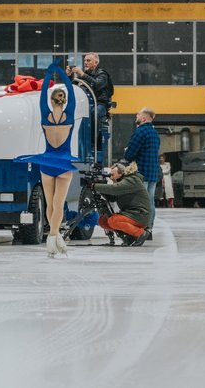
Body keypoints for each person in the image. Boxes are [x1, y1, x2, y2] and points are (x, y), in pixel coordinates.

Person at [14, 61, 77, 258]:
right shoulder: (69, 114)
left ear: (51, 101)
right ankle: (53, 236)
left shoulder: (45, 114)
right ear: (64, 101)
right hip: (63, 164)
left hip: (47, 164)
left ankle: (54, 237)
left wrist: (50, 73)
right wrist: (62, 73)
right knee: (59, 204)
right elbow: (71, 90)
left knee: (50, 204)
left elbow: (42, 93)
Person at [92, 162, 151, 246]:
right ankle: (130, 236)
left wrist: (95, 186)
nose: (111, 177)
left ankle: (141, 233)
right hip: (131, 214)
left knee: (113, 221)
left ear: (120, 174)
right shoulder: (123, 182)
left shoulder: (132, 180)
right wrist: (100, 187)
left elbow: (115, 189)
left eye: (113, 175)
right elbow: (112, 198)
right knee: (103, 221)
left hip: (139, 215)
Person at [66, 52, 113, 157]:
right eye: (85, 61)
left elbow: (97, 84)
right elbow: (72, 88)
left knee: (94, 113)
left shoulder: (102, 74)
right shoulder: (84, 77)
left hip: (99, 104)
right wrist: (69, 76)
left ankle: (92, 144)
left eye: (88, 60)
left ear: (96, 63)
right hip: (85, 104)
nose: (85, 63)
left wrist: (82, 74)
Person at [123, 107, 160, 237]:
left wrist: (126, 151)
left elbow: (130, 153)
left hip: (141, 173)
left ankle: (139, 231)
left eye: (138, 114)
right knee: (150, 202)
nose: (136, 116)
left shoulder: (140, 132)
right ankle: (148, 230)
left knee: (139, 204)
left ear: (144, 118)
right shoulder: (155, 133)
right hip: (153, 173)